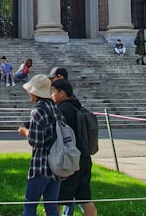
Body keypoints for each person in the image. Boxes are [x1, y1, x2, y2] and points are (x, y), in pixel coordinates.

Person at [17, 74, 62, 216]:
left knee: (29, 206)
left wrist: (25, 131)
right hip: (56, 165)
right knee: (51, 207)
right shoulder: (55, 108)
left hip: (41, 165)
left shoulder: (37, 111)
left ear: (35, 92)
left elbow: (36, 140)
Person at [51, 79, 97, 216]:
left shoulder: (62, 111)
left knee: (56, 198)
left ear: (62, 93)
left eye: (53, 92)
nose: (51, 95)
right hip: (85, 158)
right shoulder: (79, 107)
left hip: (69, 160)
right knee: (85, 198)